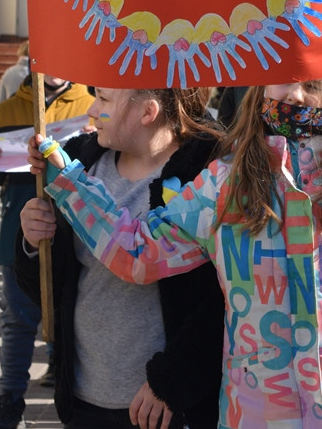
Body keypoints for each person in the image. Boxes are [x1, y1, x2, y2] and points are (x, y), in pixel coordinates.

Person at [22, 76, 322, 427]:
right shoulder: (224, 184)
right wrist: (69, 180)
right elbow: (138, 253)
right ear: (260, 89)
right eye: (284, 80)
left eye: (314, 85)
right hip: (260, 412)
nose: (297, 94)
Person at [15, 87, 226, 429]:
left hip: (165, 406)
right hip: (86, 396)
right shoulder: (77, 159)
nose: (92, 111)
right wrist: (32, 239)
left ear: (148, 112)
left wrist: (172, 381)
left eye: (104, 100)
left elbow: (220, 302)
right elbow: (46, 284)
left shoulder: (210, 172)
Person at [0, 73, 94, 429]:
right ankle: (10, 401)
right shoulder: (7, 109)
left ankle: (66, 386)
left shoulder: (91, 105)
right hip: (19, 231)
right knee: (17, 320)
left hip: (74, 231)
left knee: (68, 312)